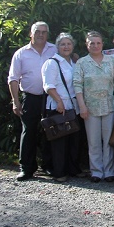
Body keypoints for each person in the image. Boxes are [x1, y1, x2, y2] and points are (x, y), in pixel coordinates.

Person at [8, 21, 57, 181]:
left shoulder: (54, 49)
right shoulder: (21, 53)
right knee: (28, 132)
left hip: (50, 97)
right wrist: (15, 101)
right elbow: (13, 79)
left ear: (47, 34)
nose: (41, 34)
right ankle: (26, 168)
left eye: (44, 32)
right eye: (37, 32)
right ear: (31, 33)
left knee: (50, 132)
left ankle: (49, 166)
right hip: (30, 97)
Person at [73, 31, 114, 182]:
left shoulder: (111, 61)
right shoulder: (81, 62)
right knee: (93, 141)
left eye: (98, 43)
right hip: (90, 107)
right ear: (87, 45)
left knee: (109, 140)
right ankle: (96, 171)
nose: (95, 46)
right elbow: (77, 85)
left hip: (109, 106)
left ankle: (109, 171)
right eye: (92, 43)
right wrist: (82, 106)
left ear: (102, 44)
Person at [41, 32, 82, 182]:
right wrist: (58, 101)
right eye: (63, 44)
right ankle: (59, 172)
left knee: (73, 140)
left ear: (73, 46)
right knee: (59, 142)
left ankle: (73, 170)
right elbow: (48, 86)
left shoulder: (73, 62)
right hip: (58, 107)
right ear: (57, 47)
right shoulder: (52, 63)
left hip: (73, 107)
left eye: (69, 44)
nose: (66, 46)